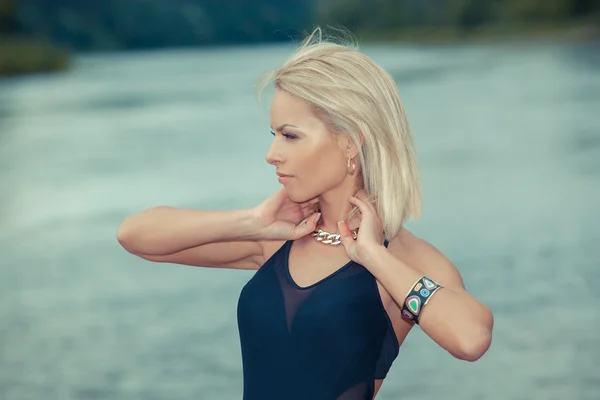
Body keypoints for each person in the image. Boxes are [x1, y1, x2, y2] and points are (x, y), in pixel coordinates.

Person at [117, 27, 494, 400]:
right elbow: (135, 236)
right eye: (274, 135)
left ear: (349, 141)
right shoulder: (281, 239)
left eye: (290, 135)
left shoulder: (403, 257)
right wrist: (251, 222)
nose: (272, 154)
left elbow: (471, 338)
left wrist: (375, 256)